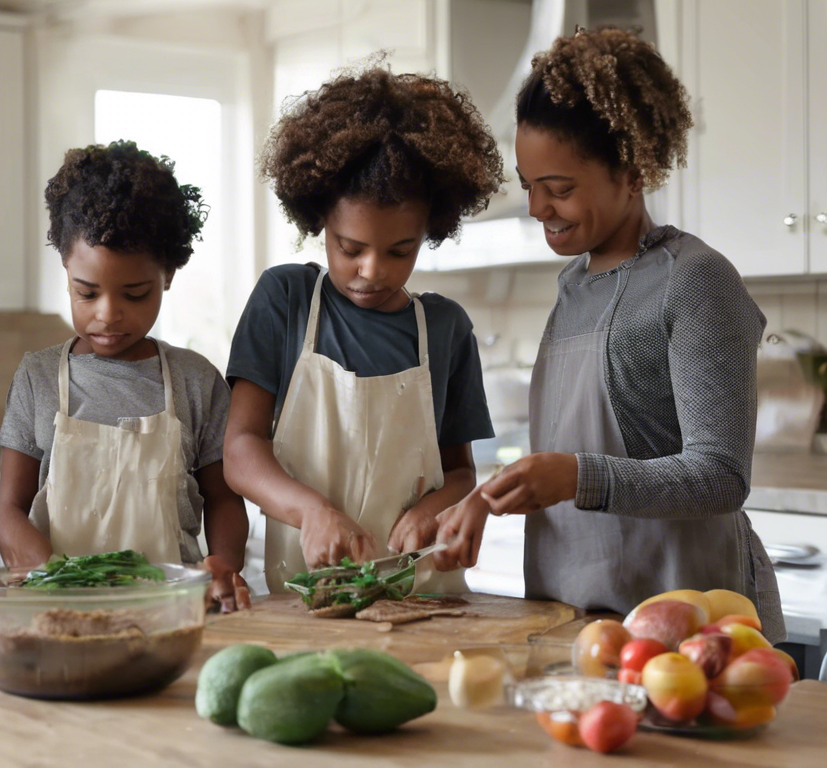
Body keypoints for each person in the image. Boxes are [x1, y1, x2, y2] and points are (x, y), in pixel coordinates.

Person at [439, 28, 784, 642]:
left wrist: (576, 477)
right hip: (576, 620)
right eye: (528, 185)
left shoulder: (697, 281)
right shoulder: (572, 287)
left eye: (560, 188)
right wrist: (483, 501)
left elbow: (721, 475)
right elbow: (562, 458)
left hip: (692, 624)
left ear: (631, 170)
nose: (538, 208)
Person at [223, 61, 503, 594]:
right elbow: (239, 451)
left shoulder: (444, 328)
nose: (372, 271)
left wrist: (431, 511)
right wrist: (312, 512)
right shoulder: (285, 301)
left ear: (431, 230)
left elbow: (461, 474)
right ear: (319, 220)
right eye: (350, 248)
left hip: (422, 596)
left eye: (401, 250)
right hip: (307, 597)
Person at [0, 140, 251, 611]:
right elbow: (10, 508)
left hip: (175, 608)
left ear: (167, 275)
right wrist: (49, 574)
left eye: (134, 294)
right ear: (66, 269)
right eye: (86, 293)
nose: (108, 315)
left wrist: (224, 563)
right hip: (59, 608)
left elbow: (223, 499)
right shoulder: (39, 377)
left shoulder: (195, 380)